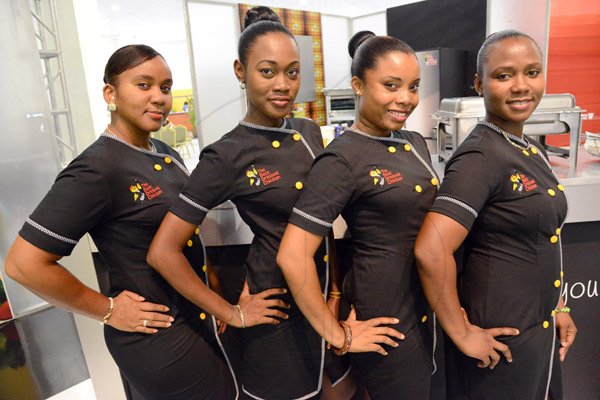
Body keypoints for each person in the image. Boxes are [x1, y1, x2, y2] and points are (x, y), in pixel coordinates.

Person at [4, 44, 278, 399]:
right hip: (154, 333)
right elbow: (23, 264)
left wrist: (211, 297)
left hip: (193, 317)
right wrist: (108, 309)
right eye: (143, 85)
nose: (158, 97)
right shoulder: (96, 169)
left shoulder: (165, 153)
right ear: (110, 94)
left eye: (165, 88)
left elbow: (183, 237)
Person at [147, 7, 352, 400]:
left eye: (292, 72)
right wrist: (230, 311)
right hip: (275, 310)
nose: (283, 85)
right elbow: (163, 252)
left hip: (324, 299)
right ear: (241, 71)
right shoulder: (225, 155)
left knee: (341, 391)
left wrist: (337, 291)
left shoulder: (308, 131)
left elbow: (319, 221)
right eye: (267, 71)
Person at [414, 30, 577, 399]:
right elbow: (431, 250)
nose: (521, 86)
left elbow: (538, 238)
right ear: (478, 84)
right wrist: (461, 332)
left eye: (532, 72)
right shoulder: (480, 157)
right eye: (504, 75)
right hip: (500, 345)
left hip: (537, 332)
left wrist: (558, 306)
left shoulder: (529, 148)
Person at [277, 31, 439, 399]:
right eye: (391, 85)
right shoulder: (341, 158)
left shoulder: (412, 142)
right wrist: (338, 334)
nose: (406, 99)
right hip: (385, 315)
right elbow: (292, 254)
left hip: (425, 305)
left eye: (413, 87)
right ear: (358, 85)